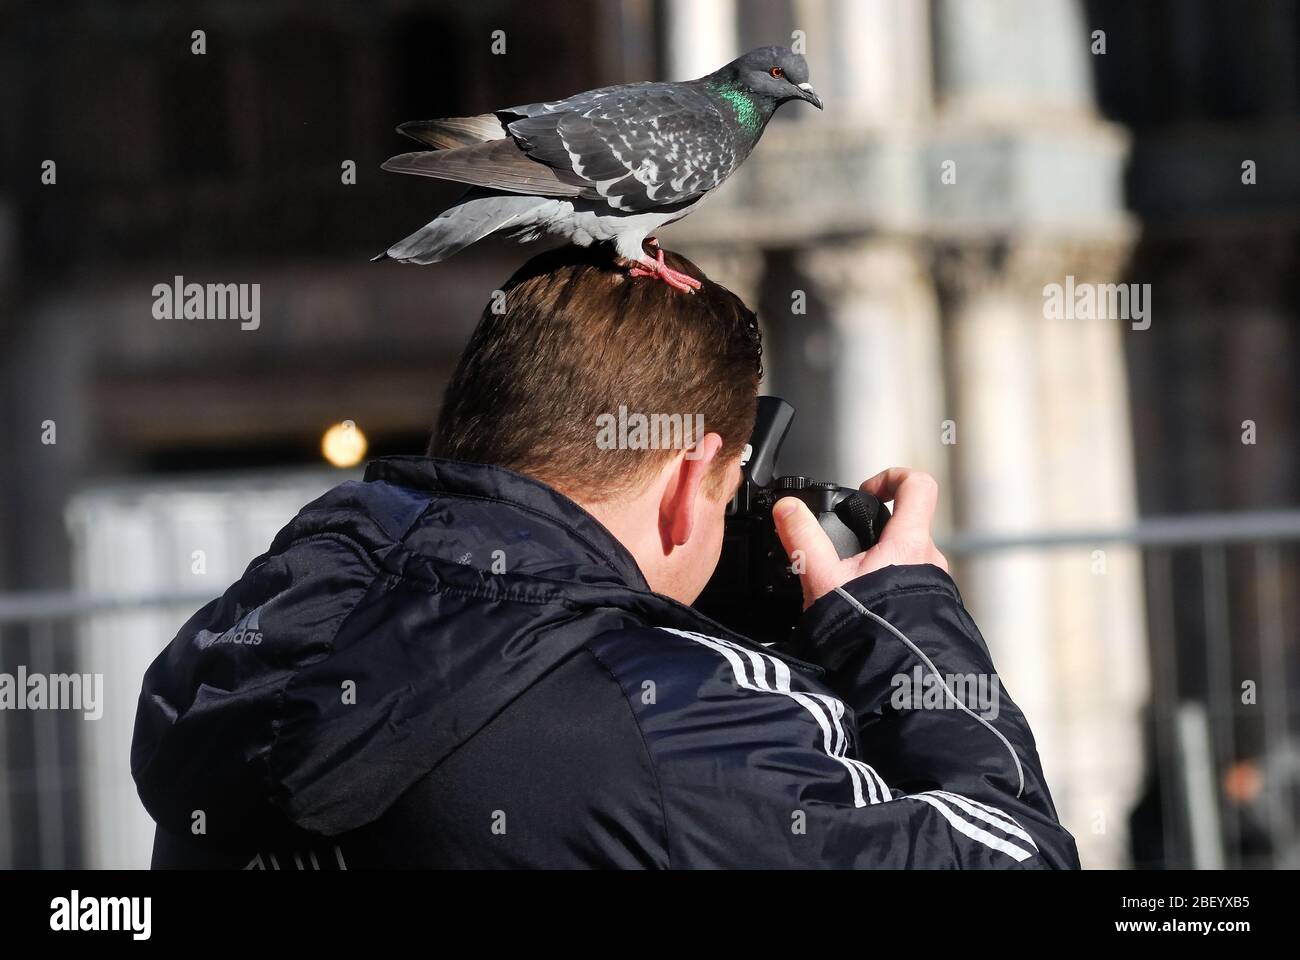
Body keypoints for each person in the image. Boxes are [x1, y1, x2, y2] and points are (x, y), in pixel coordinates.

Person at [132, 244, 1080, 869]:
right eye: (727, 494)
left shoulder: (248, 654)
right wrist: (904, 628)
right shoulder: (675, 722)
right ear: (685, 480)